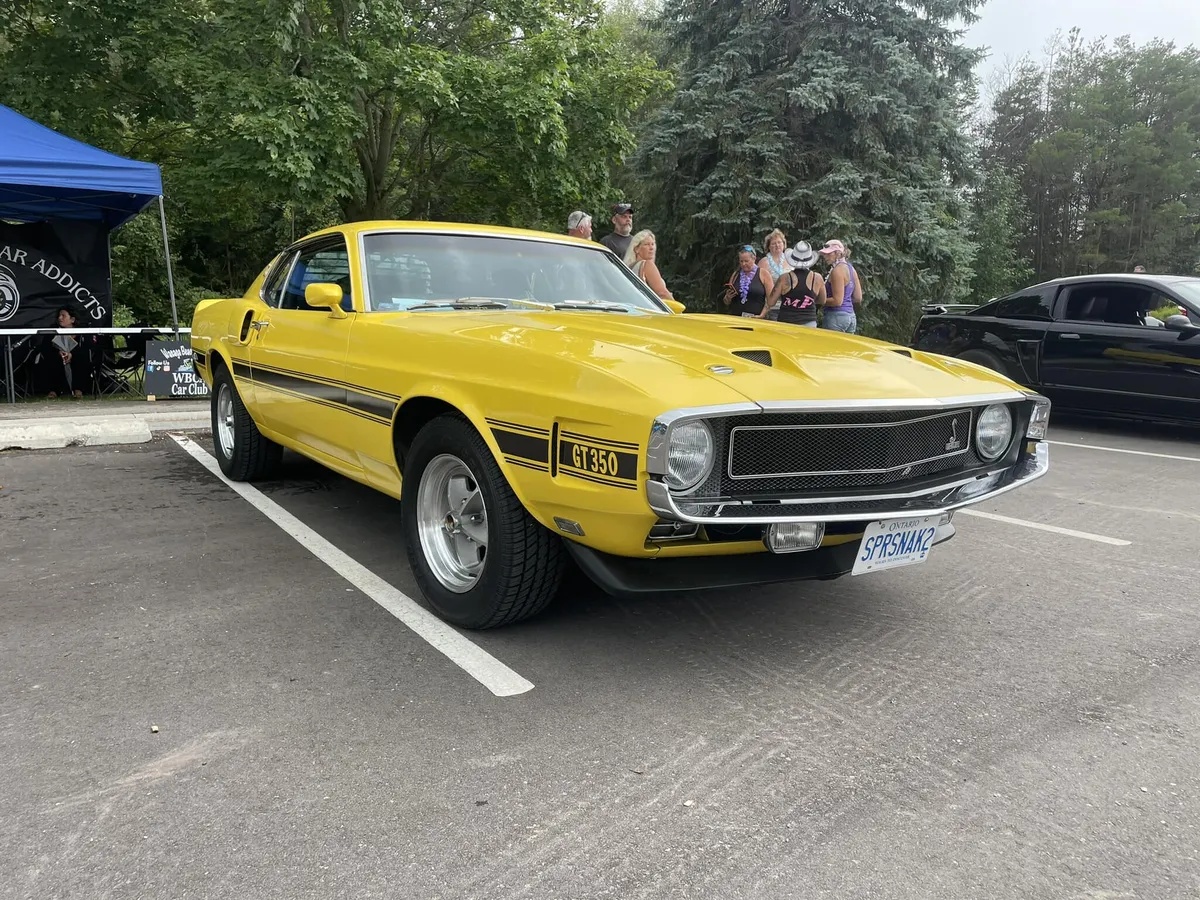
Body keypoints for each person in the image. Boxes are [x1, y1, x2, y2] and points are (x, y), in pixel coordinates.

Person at [35, 306, 96, 398]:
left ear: (72, 319)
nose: (60, 318)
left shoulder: (82, 332)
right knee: (52, 360)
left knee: (81, 360)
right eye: (59, 316)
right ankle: (53, 391)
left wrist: (72, 354)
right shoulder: (52, 331)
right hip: (58, 356)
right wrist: (59, 352)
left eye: (63, 316)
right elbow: (45, 348)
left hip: (76, 357)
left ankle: (78, 390)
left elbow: (86, 349)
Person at [766, 241, 825, 327]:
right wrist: (807, 301)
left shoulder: (784, 278)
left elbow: (771, 302)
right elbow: (822, 300)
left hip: (786, 322)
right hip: (809, 322)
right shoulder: (817, 278)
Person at [817, 239, 861, 333]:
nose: (825, 256)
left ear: (838, 253)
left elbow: (837, 301)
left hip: (835, 316)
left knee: (831, 347)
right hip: (851, 316)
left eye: (829, 254)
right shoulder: (851, 269)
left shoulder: (837, 271)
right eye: (824, 254)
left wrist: (818, 300)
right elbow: (858, 297)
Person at [623, 230, 673, 301]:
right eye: (647, 244)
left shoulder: (627, 268)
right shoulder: (647, 264)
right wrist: (677, 311)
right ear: (636, 249)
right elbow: (663, 293)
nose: (651, 248)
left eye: (653, 244)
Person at [722, 245, 769, 318]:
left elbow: (771, 299)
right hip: (736, 317)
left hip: (755, 318)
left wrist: (762, 315)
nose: (743, 264)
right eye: (741, 261)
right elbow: (726, 302)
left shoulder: (764, 274)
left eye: (746, 261)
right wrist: (728, 298)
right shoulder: (736, 274)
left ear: (754, 259)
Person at [757, 229, 791, 320]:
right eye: (773, 243)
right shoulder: (763, 262)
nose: (777, 245)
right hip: (771, 307)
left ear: (784, 244)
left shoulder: (790, 260)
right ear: (768, 246)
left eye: (779, 242)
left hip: (789, 306)